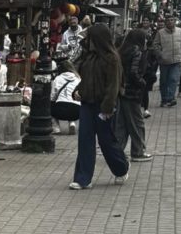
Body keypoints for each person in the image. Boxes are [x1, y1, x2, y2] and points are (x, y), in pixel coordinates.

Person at [69, 22, 129, 190]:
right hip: (87, 103)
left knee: (106, 141)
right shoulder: (89, 57)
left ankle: (121, 167)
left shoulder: (112, 59)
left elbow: (113, 86)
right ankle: (83, 178)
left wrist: (108, 108)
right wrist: (77, 91)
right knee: (85, 140)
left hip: (104, 105)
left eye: (90, 38)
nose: (88, 41)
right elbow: (84, 79)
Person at [115, 28, 152, 162]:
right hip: (133, 92)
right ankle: (138, 151)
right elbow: (134, 72)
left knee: (122, 124)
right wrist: (142, 82)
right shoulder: (137, 52)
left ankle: (117, 151)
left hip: (122, 91)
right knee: (137, 123)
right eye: (145, 38)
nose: (146, 41)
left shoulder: (122, 51)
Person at [152, 12, 181, 107]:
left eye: (172, 20)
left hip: (177, 61)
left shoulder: (180, 31)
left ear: (175, 21)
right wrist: (161, 55)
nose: (170, 22)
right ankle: (164, 99)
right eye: (168, 20)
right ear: (165, 22)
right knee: (164, 81)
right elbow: (155, 45)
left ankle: (171, 98)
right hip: (165, 61)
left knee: (173, 79)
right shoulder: (160, 32)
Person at [50, 47, 80, 134]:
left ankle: (56, 128)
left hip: (61, 110)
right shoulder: (78, 79)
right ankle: (72, 123)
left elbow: (52, 96)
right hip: (77, 111)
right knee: (71, 103)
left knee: (49, 105)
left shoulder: (58, 78)